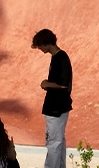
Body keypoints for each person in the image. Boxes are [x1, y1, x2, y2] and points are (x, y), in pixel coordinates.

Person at [32, 29, 73, 168]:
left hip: (56, 108)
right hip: (59, 107)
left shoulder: (60, 58)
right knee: (59, 141)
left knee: (53, 144)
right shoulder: (58, 57)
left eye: (40, 46)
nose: (40, 49)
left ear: (46, 43)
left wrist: (46, 83)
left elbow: (63, 84)